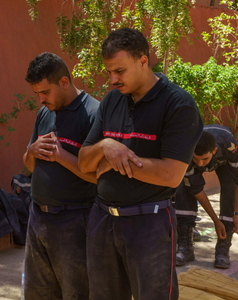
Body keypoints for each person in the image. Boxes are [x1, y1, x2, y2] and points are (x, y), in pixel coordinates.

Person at [78, 28, 202, 300]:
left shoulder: (177, 104)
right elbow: (85, 163)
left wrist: (114, 163)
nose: (112, 80)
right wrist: (105, 146)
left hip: (150, 222)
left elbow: (171, 174)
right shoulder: (112, 101)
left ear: (143, 61)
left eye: (119, 71)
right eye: (109, 72)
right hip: (102, 219)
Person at [22, 52, 99, 300]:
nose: (41, 99)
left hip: (74, 221)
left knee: (76, 292)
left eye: (45, 92)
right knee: (37, 293)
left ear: (64, 82)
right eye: (37, 94)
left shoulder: (93, 113)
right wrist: (31, 152)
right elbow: (29, 166)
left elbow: (99, 177)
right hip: (38, 218)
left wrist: (61, 156)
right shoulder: (45, 112)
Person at [173, 124, 238, 269]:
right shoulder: (187, 152)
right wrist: (215, 220)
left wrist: (237, 213)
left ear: (214, 151)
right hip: (194, 159)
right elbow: (197, 191)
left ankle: (223, 249)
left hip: (225, 163)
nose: (200, 164)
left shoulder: (229, 146)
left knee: (230, 187)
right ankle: (185, 247)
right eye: (196, 159)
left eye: (205, 159)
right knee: (183, 189)